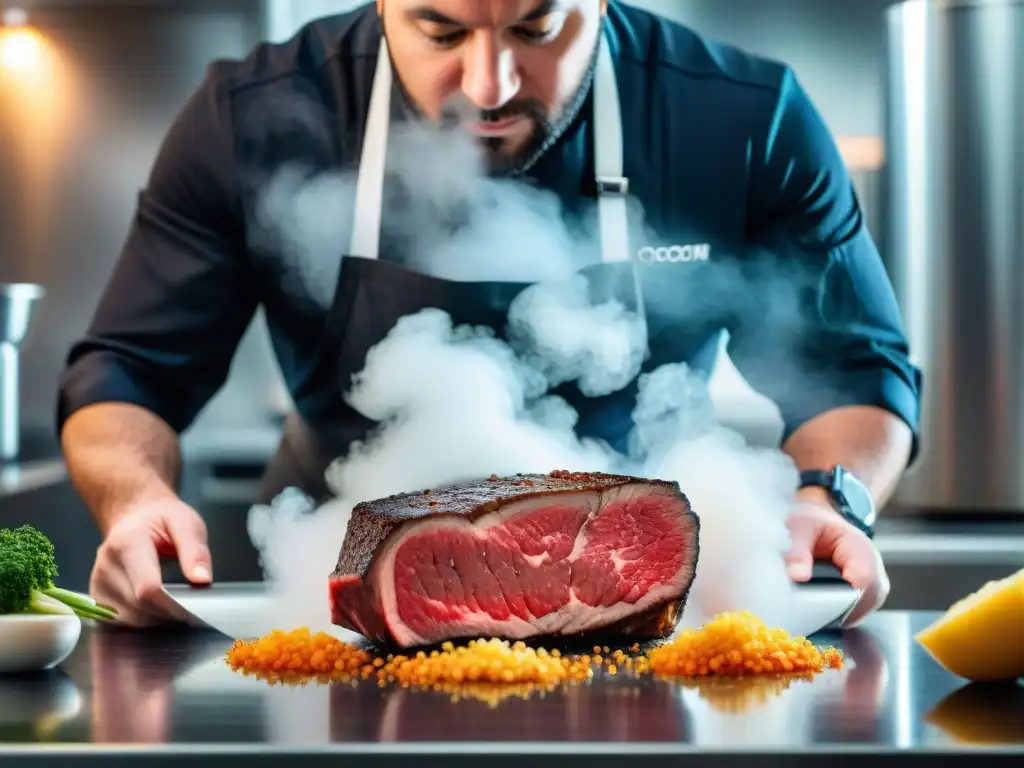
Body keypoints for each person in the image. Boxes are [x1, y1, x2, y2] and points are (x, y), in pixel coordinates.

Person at [57, 0, 921, 628]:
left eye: (537, 28)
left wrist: (830, 496)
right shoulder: (252, 114)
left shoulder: (742, 116)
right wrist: (134, 502)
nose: (489, 82)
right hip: (325, 605)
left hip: (645, 600)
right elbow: (128, 371)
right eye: (440, 30)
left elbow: (854, 372)